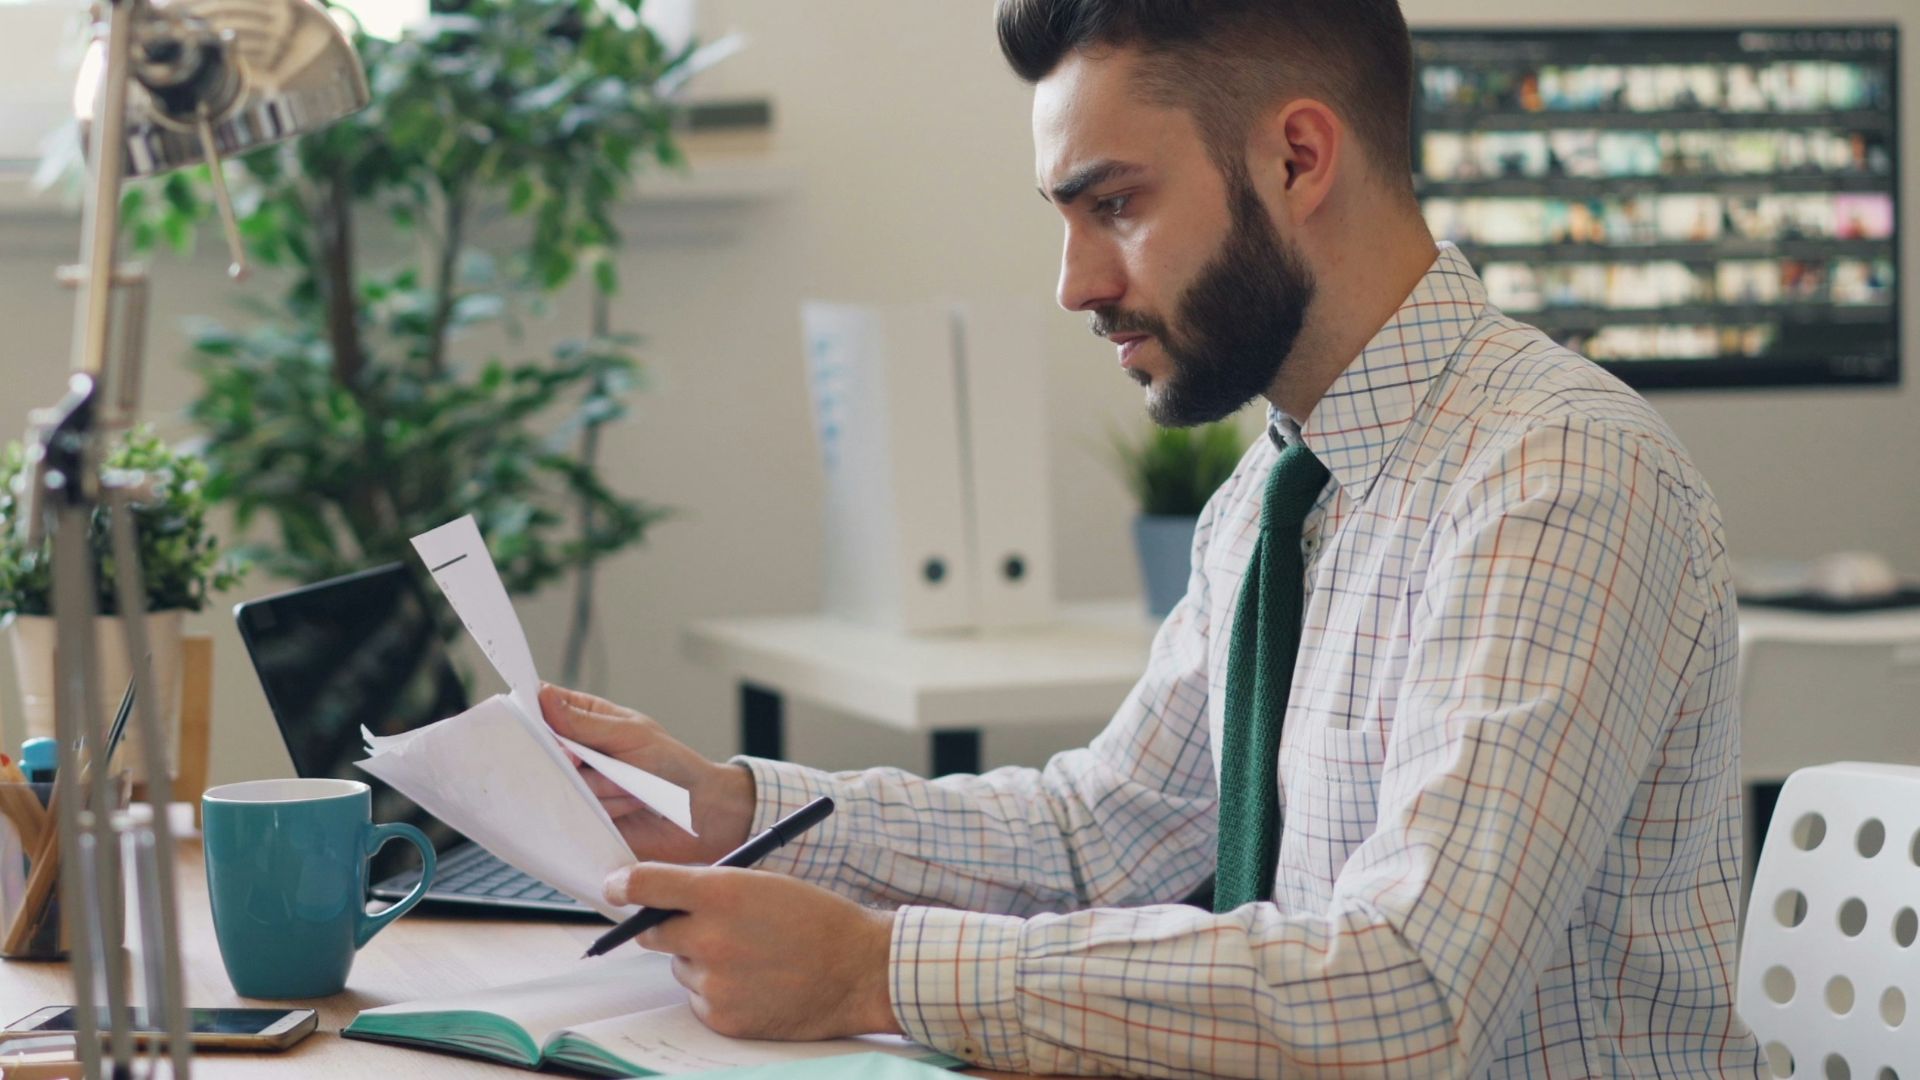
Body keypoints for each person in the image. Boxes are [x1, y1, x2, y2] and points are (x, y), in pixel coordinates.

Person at [541, 1, 1766, 1075]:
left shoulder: (1559, 476)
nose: (1074, 283)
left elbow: (1412, 995)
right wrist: (735, 806)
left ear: (1297, 157)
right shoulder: (1279, 489)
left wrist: (879, 972)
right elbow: (1101, 833)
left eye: (1114, 204)